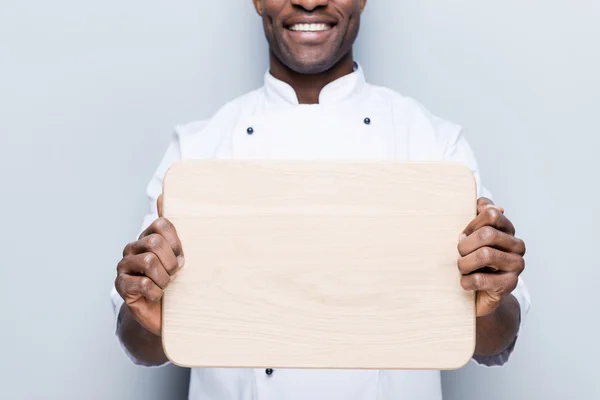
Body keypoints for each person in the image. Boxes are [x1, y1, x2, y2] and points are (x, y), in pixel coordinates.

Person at [111, 0, 531, 398]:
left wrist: (489, 298)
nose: (309, 2)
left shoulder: (435, 146)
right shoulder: (196, 152)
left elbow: (496, 338)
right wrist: (146, 311)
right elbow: (139, 340)